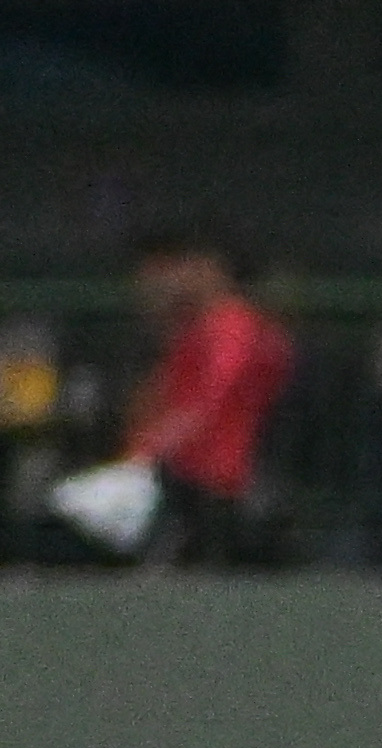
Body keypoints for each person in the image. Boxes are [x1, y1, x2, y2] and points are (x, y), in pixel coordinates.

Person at [125, 228, 295, 564]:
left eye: (192, 264)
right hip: (192, 470)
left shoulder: (231, 323)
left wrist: (156, 444)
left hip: (216, 473)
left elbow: (211, 395)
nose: (182, 276)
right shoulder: (195, 327)